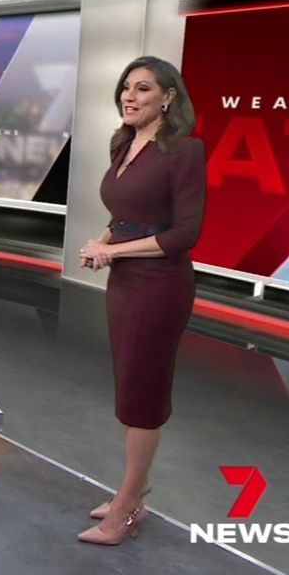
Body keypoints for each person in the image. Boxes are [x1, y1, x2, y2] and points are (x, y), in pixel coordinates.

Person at [77, 56, 206, 545]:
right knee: (130, 387)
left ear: (168, 97)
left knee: (143, 396)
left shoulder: (184, 151)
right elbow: (125, 215)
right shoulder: (124, 144)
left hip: (160, 285)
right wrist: (104, 240)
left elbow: (184, 234)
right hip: (126, 283)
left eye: (144, 88)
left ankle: (127, 507)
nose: (129, 96)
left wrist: (112, 251)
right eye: (126, 87)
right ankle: (134, 488)